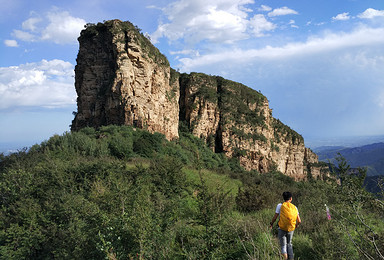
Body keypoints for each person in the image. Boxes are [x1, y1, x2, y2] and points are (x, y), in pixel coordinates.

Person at [270, 191, 301, 260]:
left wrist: (271, 223)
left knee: (283, 246)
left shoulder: (280, 206)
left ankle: (285, 258)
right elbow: (299, 221)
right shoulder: (295, 207)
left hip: (282, 228)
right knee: (289, 244)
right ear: (291, 198)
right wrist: (296, 225)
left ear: (283, 198)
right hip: (291, 228)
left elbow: (275, 217)